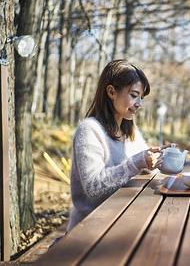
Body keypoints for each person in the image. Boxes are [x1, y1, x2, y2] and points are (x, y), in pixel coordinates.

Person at [66, 59, 172, 232]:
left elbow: (146, 168)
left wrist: (159, 158)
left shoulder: (130, 130)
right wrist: (137, 162)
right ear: (111, 92)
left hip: (123, 220)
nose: (139, 104)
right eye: (133, 95)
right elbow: (93, 187)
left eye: (141, 97)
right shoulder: (89, 130)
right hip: (90, 229)